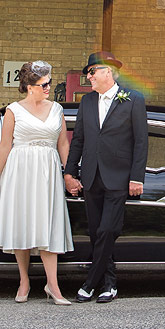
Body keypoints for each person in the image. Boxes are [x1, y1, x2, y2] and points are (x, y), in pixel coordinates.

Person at [63, 50, 148, 304]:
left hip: (119, 178)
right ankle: (109, 284)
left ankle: (90, 282)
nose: (88, 77)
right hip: (91, 177)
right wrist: (70, 172)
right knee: (95, 232)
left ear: (107, 72)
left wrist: (137, 177)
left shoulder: (133, 99)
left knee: (108, 230)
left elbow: (141, 142)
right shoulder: (87, 102)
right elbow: (78, 140)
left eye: (91, 72)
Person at [0, 60, 73, 305]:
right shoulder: (13, 110)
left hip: (48, 169)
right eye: (43, 84)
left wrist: (68, 173)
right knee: (22, 222)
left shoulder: (56, 108)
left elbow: (63, 144)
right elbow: (4, 146)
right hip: (20, 169)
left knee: (48, 223)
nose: (48, 87)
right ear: (29, 87)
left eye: (48, 82)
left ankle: (53, 285)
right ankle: (24, 280)